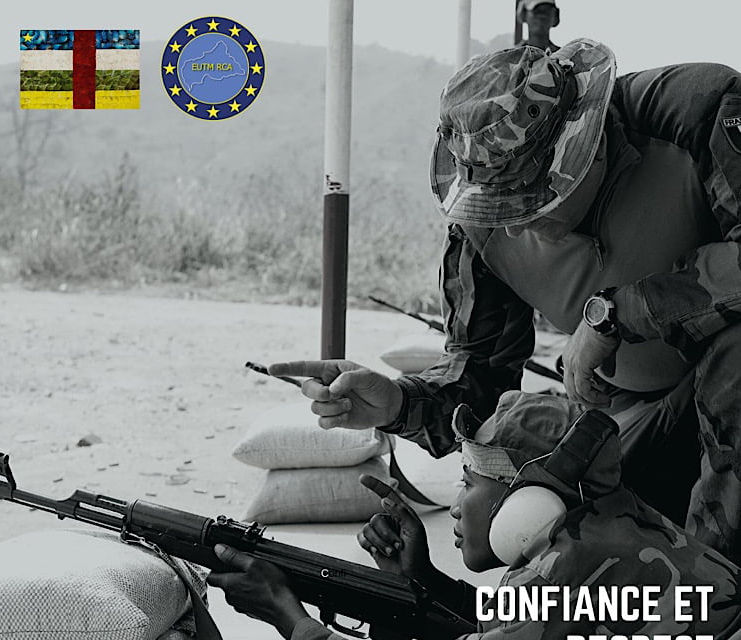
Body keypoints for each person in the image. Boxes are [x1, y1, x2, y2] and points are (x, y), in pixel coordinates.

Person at [269, 39, 741, 565]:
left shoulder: (697, 112)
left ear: (588, 142)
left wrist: (615, 313)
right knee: (517, 520)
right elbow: (483, 372)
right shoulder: (481, 227)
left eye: (531, 200)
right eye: (500, 207)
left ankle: (715, 591)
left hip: (726, 406)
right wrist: (400, 403)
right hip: (629, 426)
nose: (515, 225)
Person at [207, 391, 741, 640]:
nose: (457, 506)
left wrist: (293, 621)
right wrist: (427, 582)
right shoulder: (623, 525)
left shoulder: (560, 571)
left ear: (526, 503)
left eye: (468, 482)